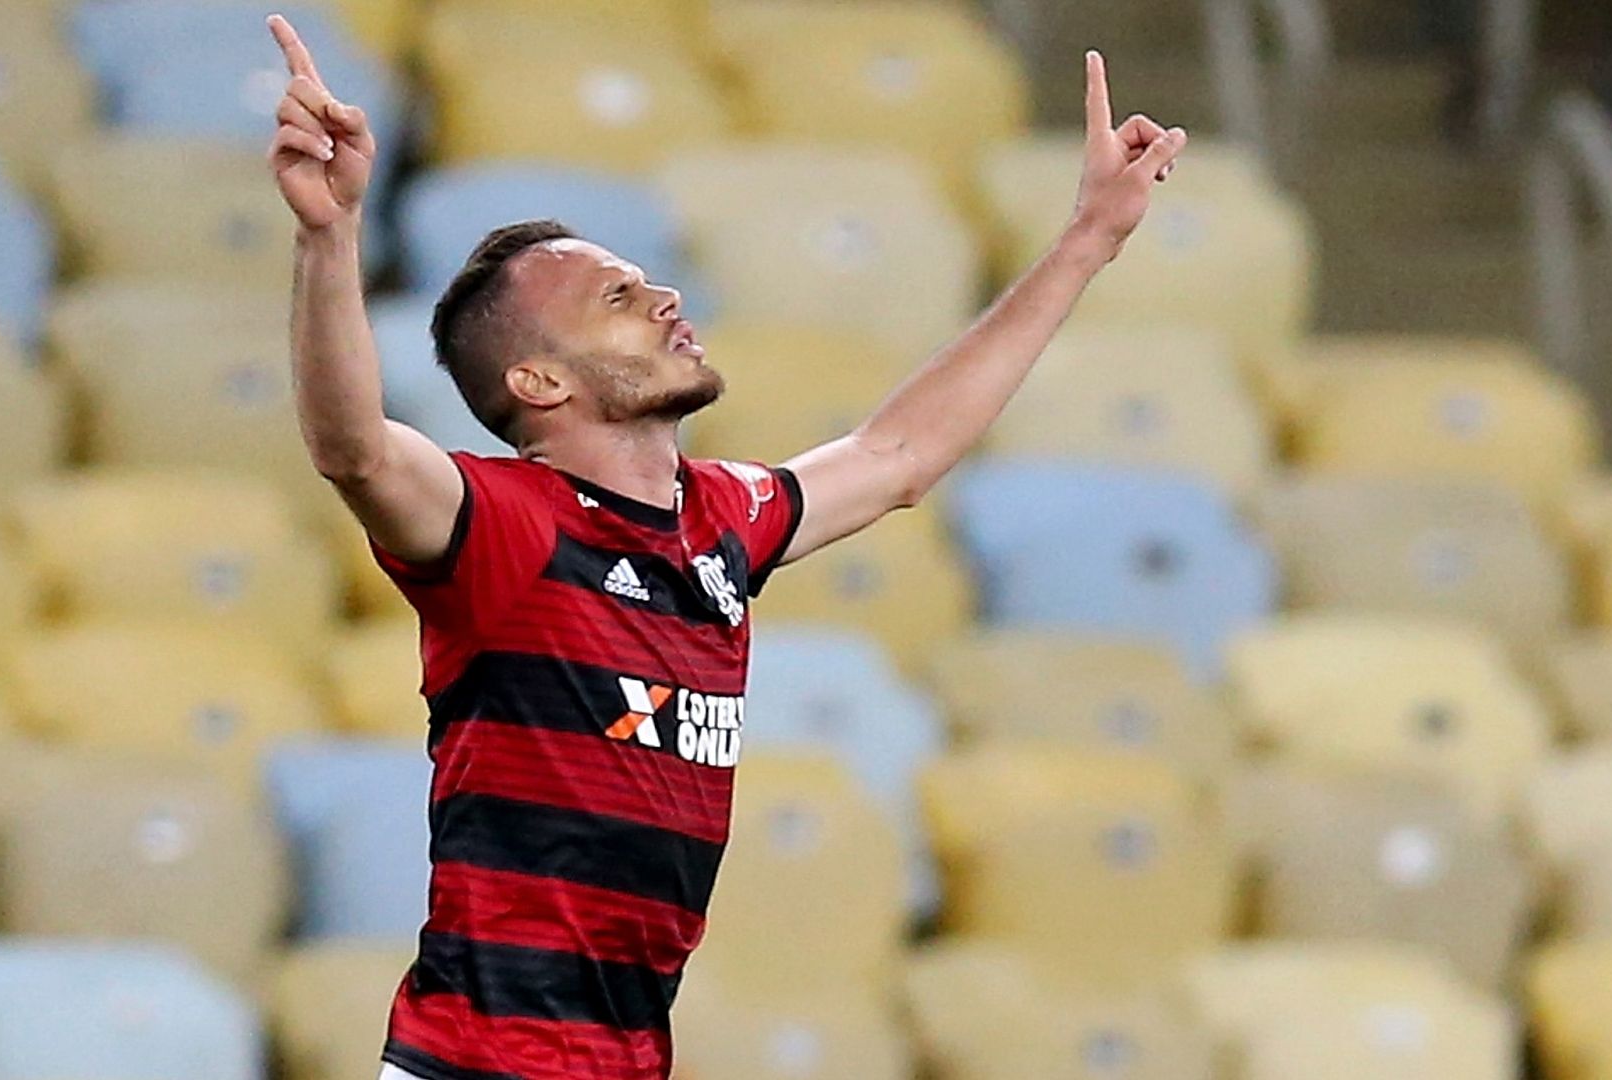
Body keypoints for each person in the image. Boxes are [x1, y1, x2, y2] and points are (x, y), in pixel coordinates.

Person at [266, 12, 1187, 1080]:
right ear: (540, 382)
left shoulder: (721, 520)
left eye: (647, 282)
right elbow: (355, 451)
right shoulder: (503, 528)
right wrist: (329, 239)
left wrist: (1087, 243)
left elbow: (898, 453)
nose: (663, 298)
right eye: (616, 297)